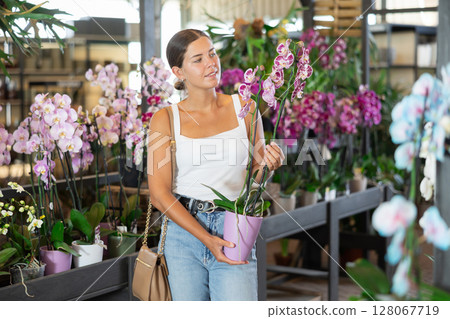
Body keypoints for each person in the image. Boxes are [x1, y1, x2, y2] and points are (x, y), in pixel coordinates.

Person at [147, 29, 284, 301]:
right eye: (198, 59)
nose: (211, 63)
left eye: (212, 53)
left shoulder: (245, 107)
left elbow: (253, 182)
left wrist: (269, 165)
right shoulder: (164, 119)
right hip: (182, 234)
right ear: (179, 72)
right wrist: (206, 238)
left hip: (234, 228)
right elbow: (159, 194)